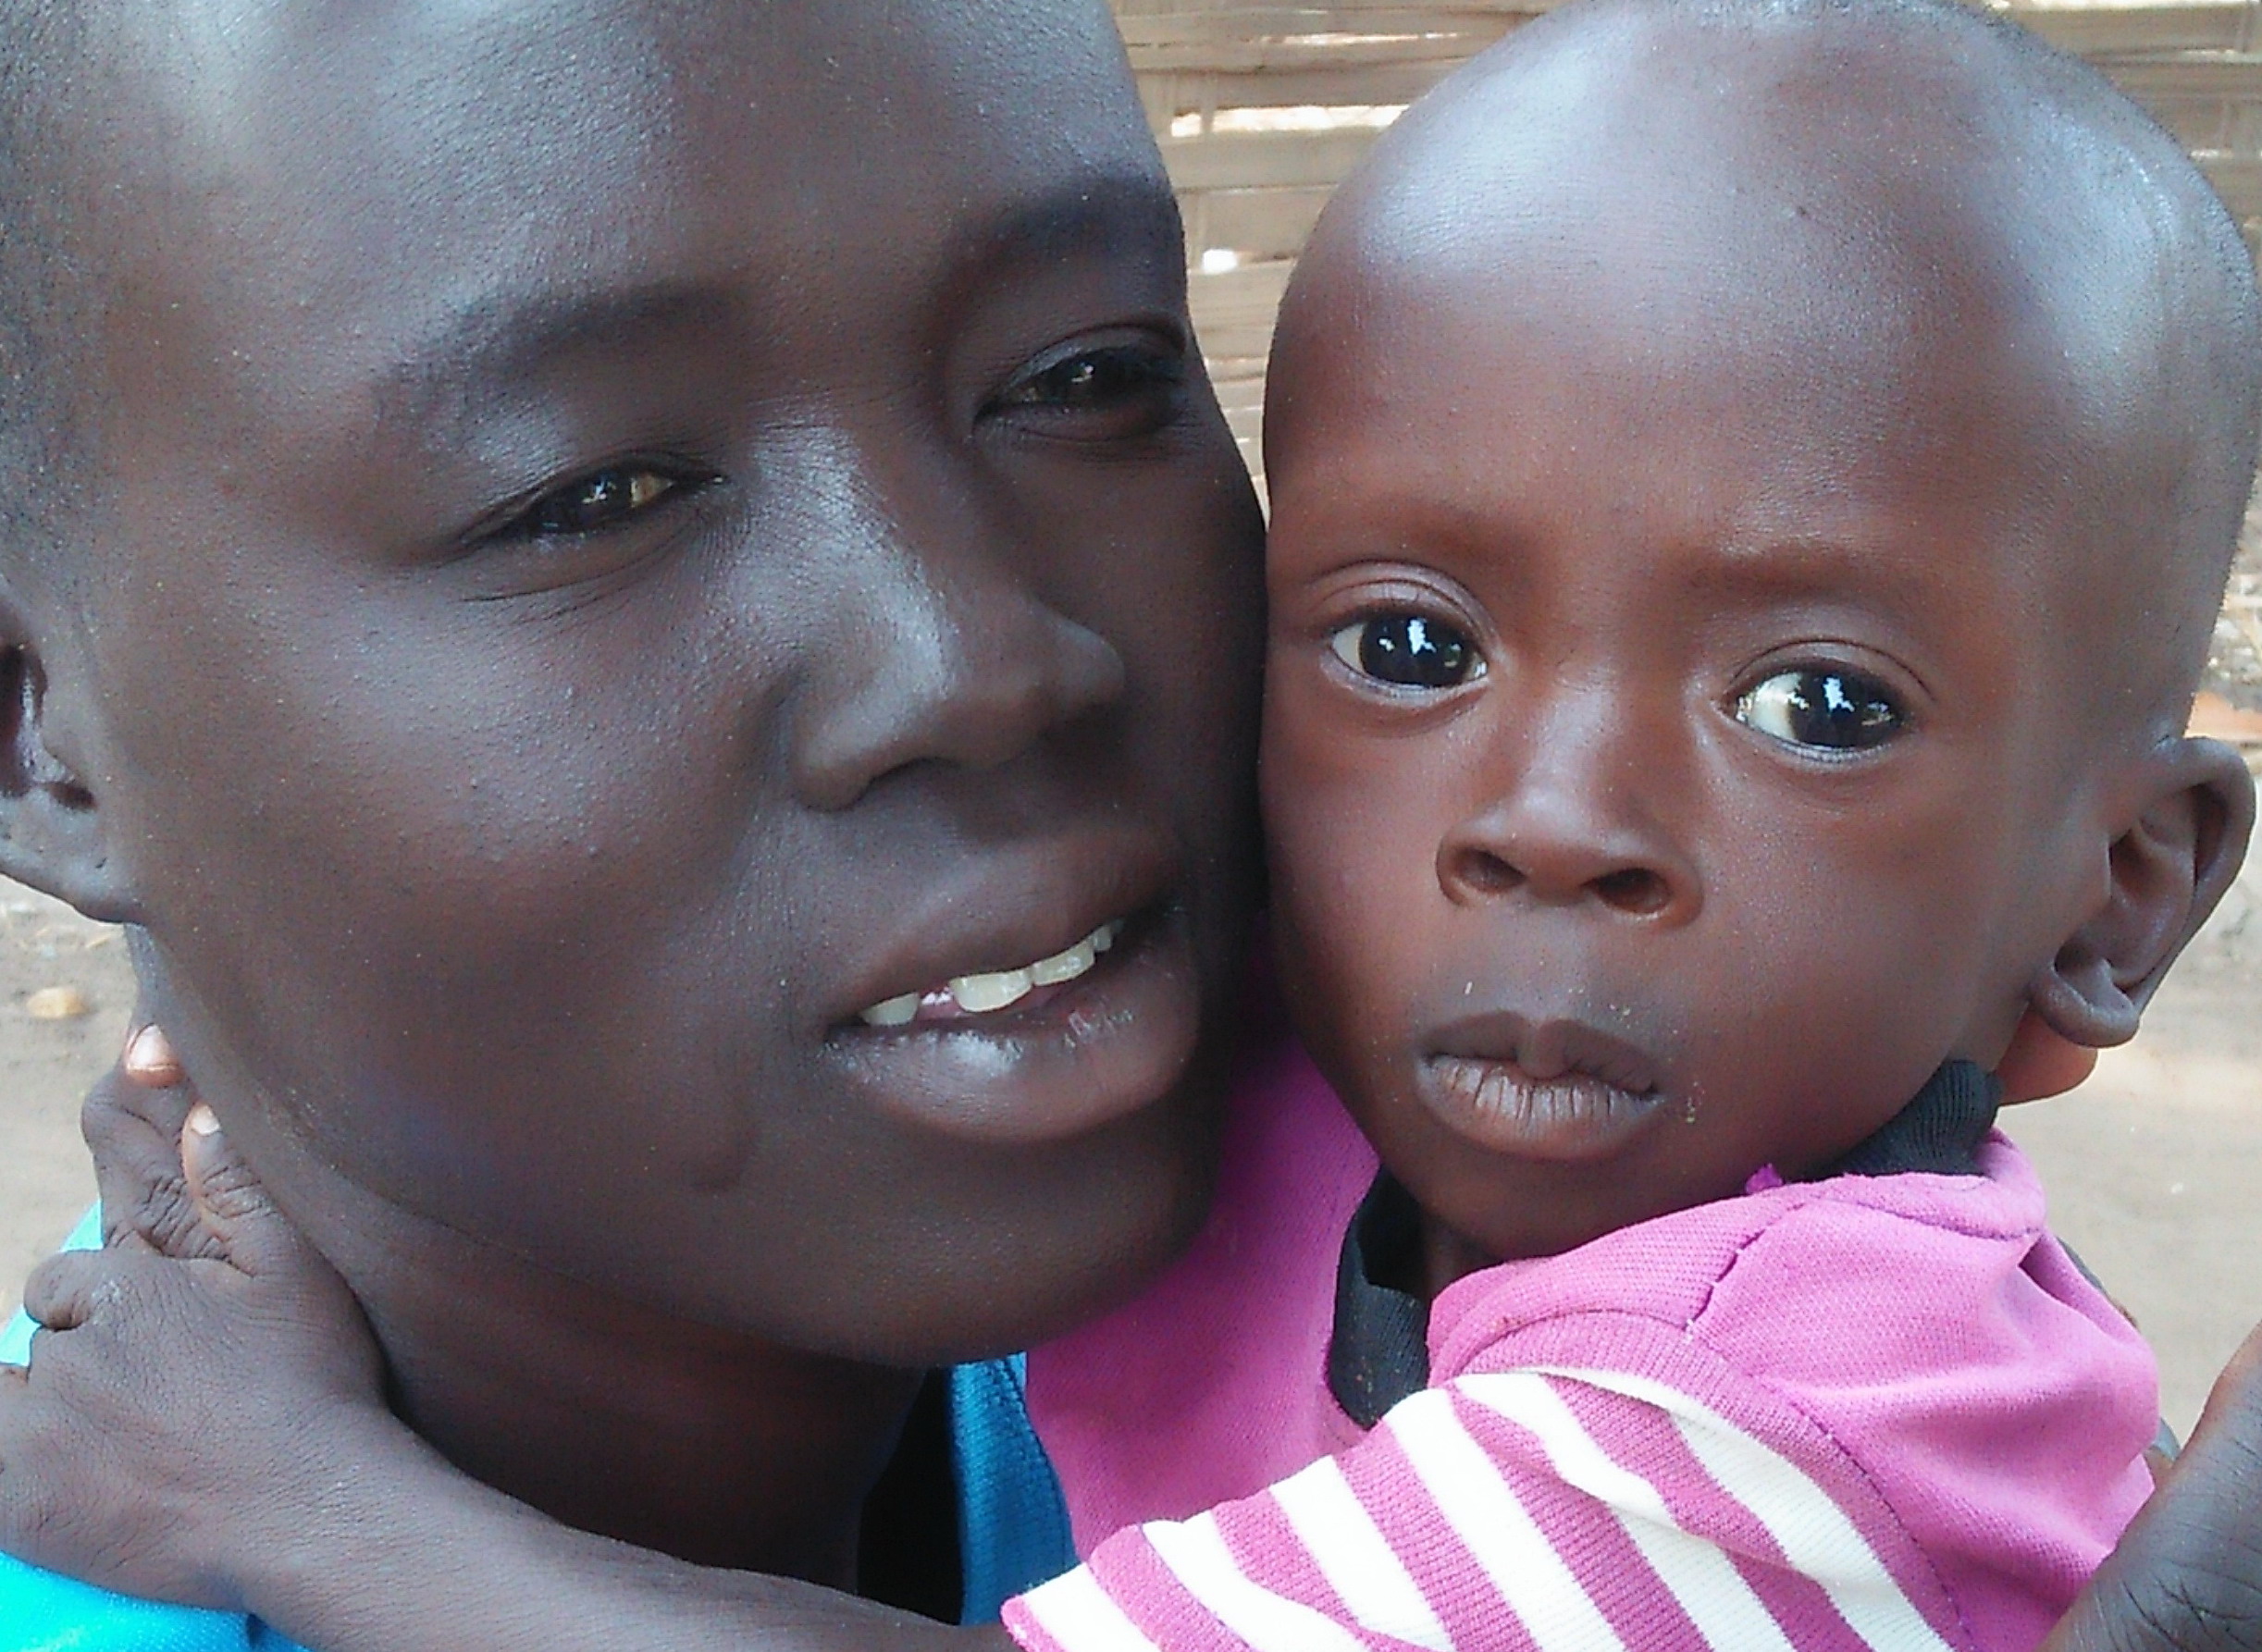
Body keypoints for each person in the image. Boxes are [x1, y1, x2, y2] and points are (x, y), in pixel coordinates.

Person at [5, 2, 2262, 1651]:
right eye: (592, 491)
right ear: (44, 747)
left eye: (1082, 375)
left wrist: (305, 1501)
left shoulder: (1655, 1363)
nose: (982, 658)